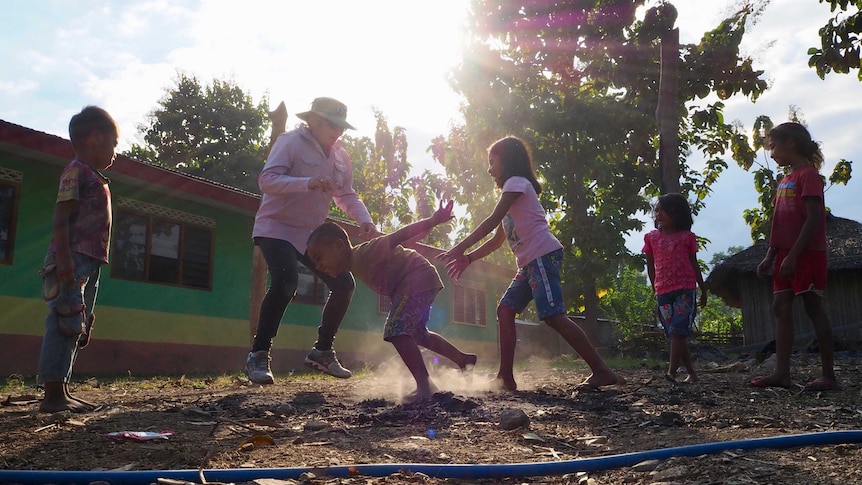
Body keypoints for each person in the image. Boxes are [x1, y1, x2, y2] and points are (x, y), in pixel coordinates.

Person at [438, 136, 623, 392]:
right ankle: (505, 377)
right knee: (505, 310)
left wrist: (458, 248)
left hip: (543, 256)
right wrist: (468, 259)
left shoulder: (517, 184)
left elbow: (491, 221)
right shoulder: (512, 194)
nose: (489, 169)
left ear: (509, 161)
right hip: (529, 264)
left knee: (553, 316)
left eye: (492, 162)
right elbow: (496, 240)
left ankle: (602, 371)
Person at [247, 97, 376, 385]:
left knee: (344, 283)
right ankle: (258, 354)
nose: (338, 131)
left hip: (310, 233)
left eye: (342, 126)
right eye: (332, 124)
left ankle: (322, 351)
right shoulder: (290, 142)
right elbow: (267, 181)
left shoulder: (340, 157)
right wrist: (307, 182)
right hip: (276, 226)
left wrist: (364, 220)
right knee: (286, 281)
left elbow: (346, 194)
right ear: (314, 120)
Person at [306, 200, 477, 401]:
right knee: (418, 334)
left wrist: (433, 220)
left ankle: (425, 385)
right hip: (419, 281)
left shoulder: (366, 252)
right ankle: (462, 359)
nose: (318, 267)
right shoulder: (356, 263)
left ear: (338, 246)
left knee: (395, 329)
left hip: (416, 279)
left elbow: (399, 236)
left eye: (319, 257)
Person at [37, 106, 118, 412]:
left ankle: (63, 388)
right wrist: (66, 259)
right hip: (72, 260)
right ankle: (53, 395)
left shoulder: (95, 177)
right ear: (96, 137)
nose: (115, 153)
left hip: (89, 262)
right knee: (64, 323)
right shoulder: (76, 171)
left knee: (77, 325)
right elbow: (62, 216)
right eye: (113, 143)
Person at [751, 122, 839, 392]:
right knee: (780, 308)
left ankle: (828, 376)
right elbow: (779, 222)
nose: (772, 152)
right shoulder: (785, 180)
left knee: (813, 307)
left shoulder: (808, 176)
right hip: (785, 254)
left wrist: (796, 254)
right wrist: (771, 254)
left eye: (774, 146)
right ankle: (781, 373)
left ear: (790, 143)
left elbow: (813, 219)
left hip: (807, 252)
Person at [643, 193, 707, 384]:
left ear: (677, 213)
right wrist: (655, 287)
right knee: (674, 333)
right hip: (663, 291)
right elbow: (650, 266)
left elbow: (694, 264)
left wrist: (702, 289)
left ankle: (671, 371)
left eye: (664, 210)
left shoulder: (687, 237)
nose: (659, 214)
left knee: (678, 331)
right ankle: (692, 374)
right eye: (657, 211)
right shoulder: (651, 238)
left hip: (684, 289)